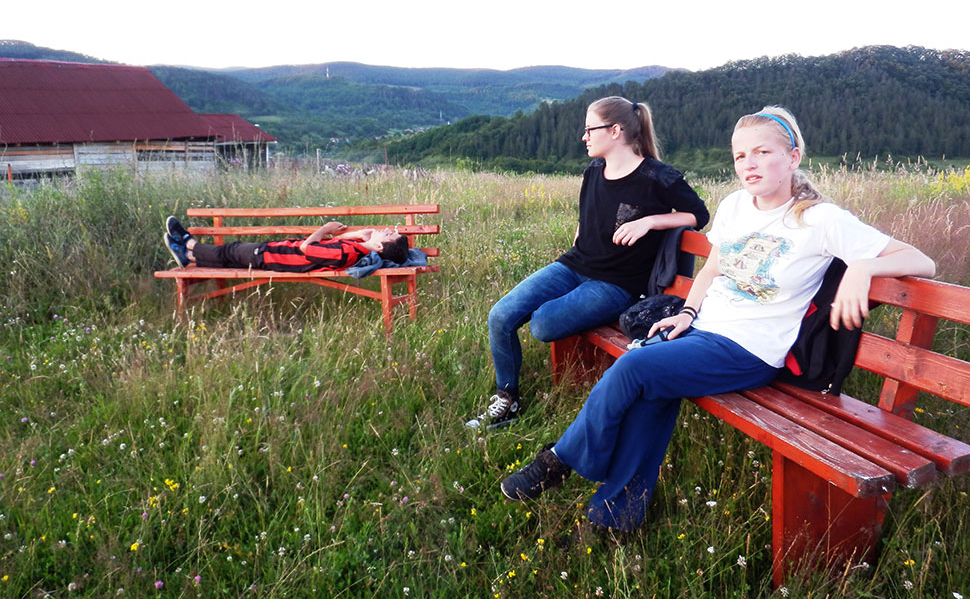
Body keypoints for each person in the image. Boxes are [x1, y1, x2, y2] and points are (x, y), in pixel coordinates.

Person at [499, 105, 936, 531]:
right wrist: (688, 312)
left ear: (793, 158)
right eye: (740, 155)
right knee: (652, 391)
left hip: (752, 350)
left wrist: (862, 267)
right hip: (704, 332)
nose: (749, 164)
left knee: (634, 367)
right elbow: (712, 268)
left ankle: (559, 461)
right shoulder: (734, 207)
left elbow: (921, 262)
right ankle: (616, 516)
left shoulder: (821, 219)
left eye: (763, 152)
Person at [465, 96, 710, 430]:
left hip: (615, 284)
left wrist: (650, 221)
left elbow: (699, 215)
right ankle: (507, 401)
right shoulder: (594, 169)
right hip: (573, 266)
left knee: (542, 325)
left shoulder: (658, 177)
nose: (584, 137)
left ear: (615, 130)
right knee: (500, 315)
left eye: (589, 129)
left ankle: (553, 328)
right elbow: (589, 215)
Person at [163, 216, 409, 271]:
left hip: (274, 256)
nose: (386, 230)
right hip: (277, 253)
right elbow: (329, 247)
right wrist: (356, 236)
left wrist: (324, 228)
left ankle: (189, 243)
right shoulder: (352, 250)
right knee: (230, 257)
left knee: (231, 250)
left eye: (387, 235)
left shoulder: (349, 256)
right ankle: (189, 257)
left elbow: (308, 249)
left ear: (379, 248)